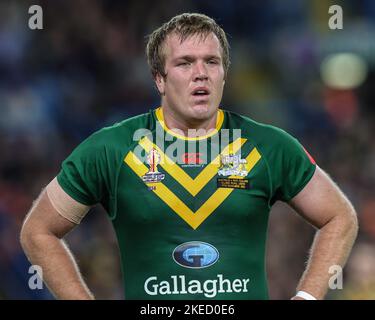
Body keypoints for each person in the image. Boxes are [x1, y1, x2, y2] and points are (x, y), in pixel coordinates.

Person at [20, 13, 358, 300]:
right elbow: (38, 231)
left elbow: (340, 217)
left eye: (212, 62)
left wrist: (306, 297)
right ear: (159, 80)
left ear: (224, 74)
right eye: (184, 63)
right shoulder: (111, 149)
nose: (201, 73)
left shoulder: (268, 145)